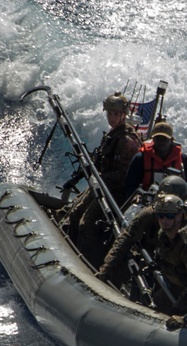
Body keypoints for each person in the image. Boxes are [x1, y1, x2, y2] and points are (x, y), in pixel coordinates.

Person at [64, 92, 142, 266]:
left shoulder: (127, 141)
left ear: (124, 115)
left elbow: (123, 177)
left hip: (115, 193)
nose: (112, 118)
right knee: (75, 214)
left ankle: (88, 265)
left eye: (115, 114)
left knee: (87, 225)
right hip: (102, 185)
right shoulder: (114, 135)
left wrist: (99, 176)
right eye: (109, 114)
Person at [96, 192, 187, 313]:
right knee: (156, 304)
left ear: (179, 216)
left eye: (169, 216)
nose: (164, 220)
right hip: (173, 278)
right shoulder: (162, 235)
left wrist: (184, 313)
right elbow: (128, 237)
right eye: (160, 216)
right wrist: (107, 266)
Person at [124, 120, 187, 195]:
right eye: (158, 138)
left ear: (171, 140)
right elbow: (130, 187)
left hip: (175, 202)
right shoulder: (140, 158)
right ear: (152, 139)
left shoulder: (183, 160)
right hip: (146, 201)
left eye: (164, 138)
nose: (161, 141)